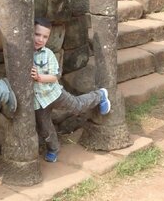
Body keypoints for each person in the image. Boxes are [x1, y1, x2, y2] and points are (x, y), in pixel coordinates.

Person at [31, 18, 111, 163]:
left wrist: (39, 77)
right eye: (37, 34)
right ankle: (53, 149)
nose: (40, 39)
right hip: (38, 102)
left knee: (77, 106)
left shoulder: (47, 54)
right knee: (44, 127)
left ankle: (100, 95)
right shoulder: (24, 54)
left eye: (45, 36)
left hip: (54, 94)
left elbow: (55, 76)